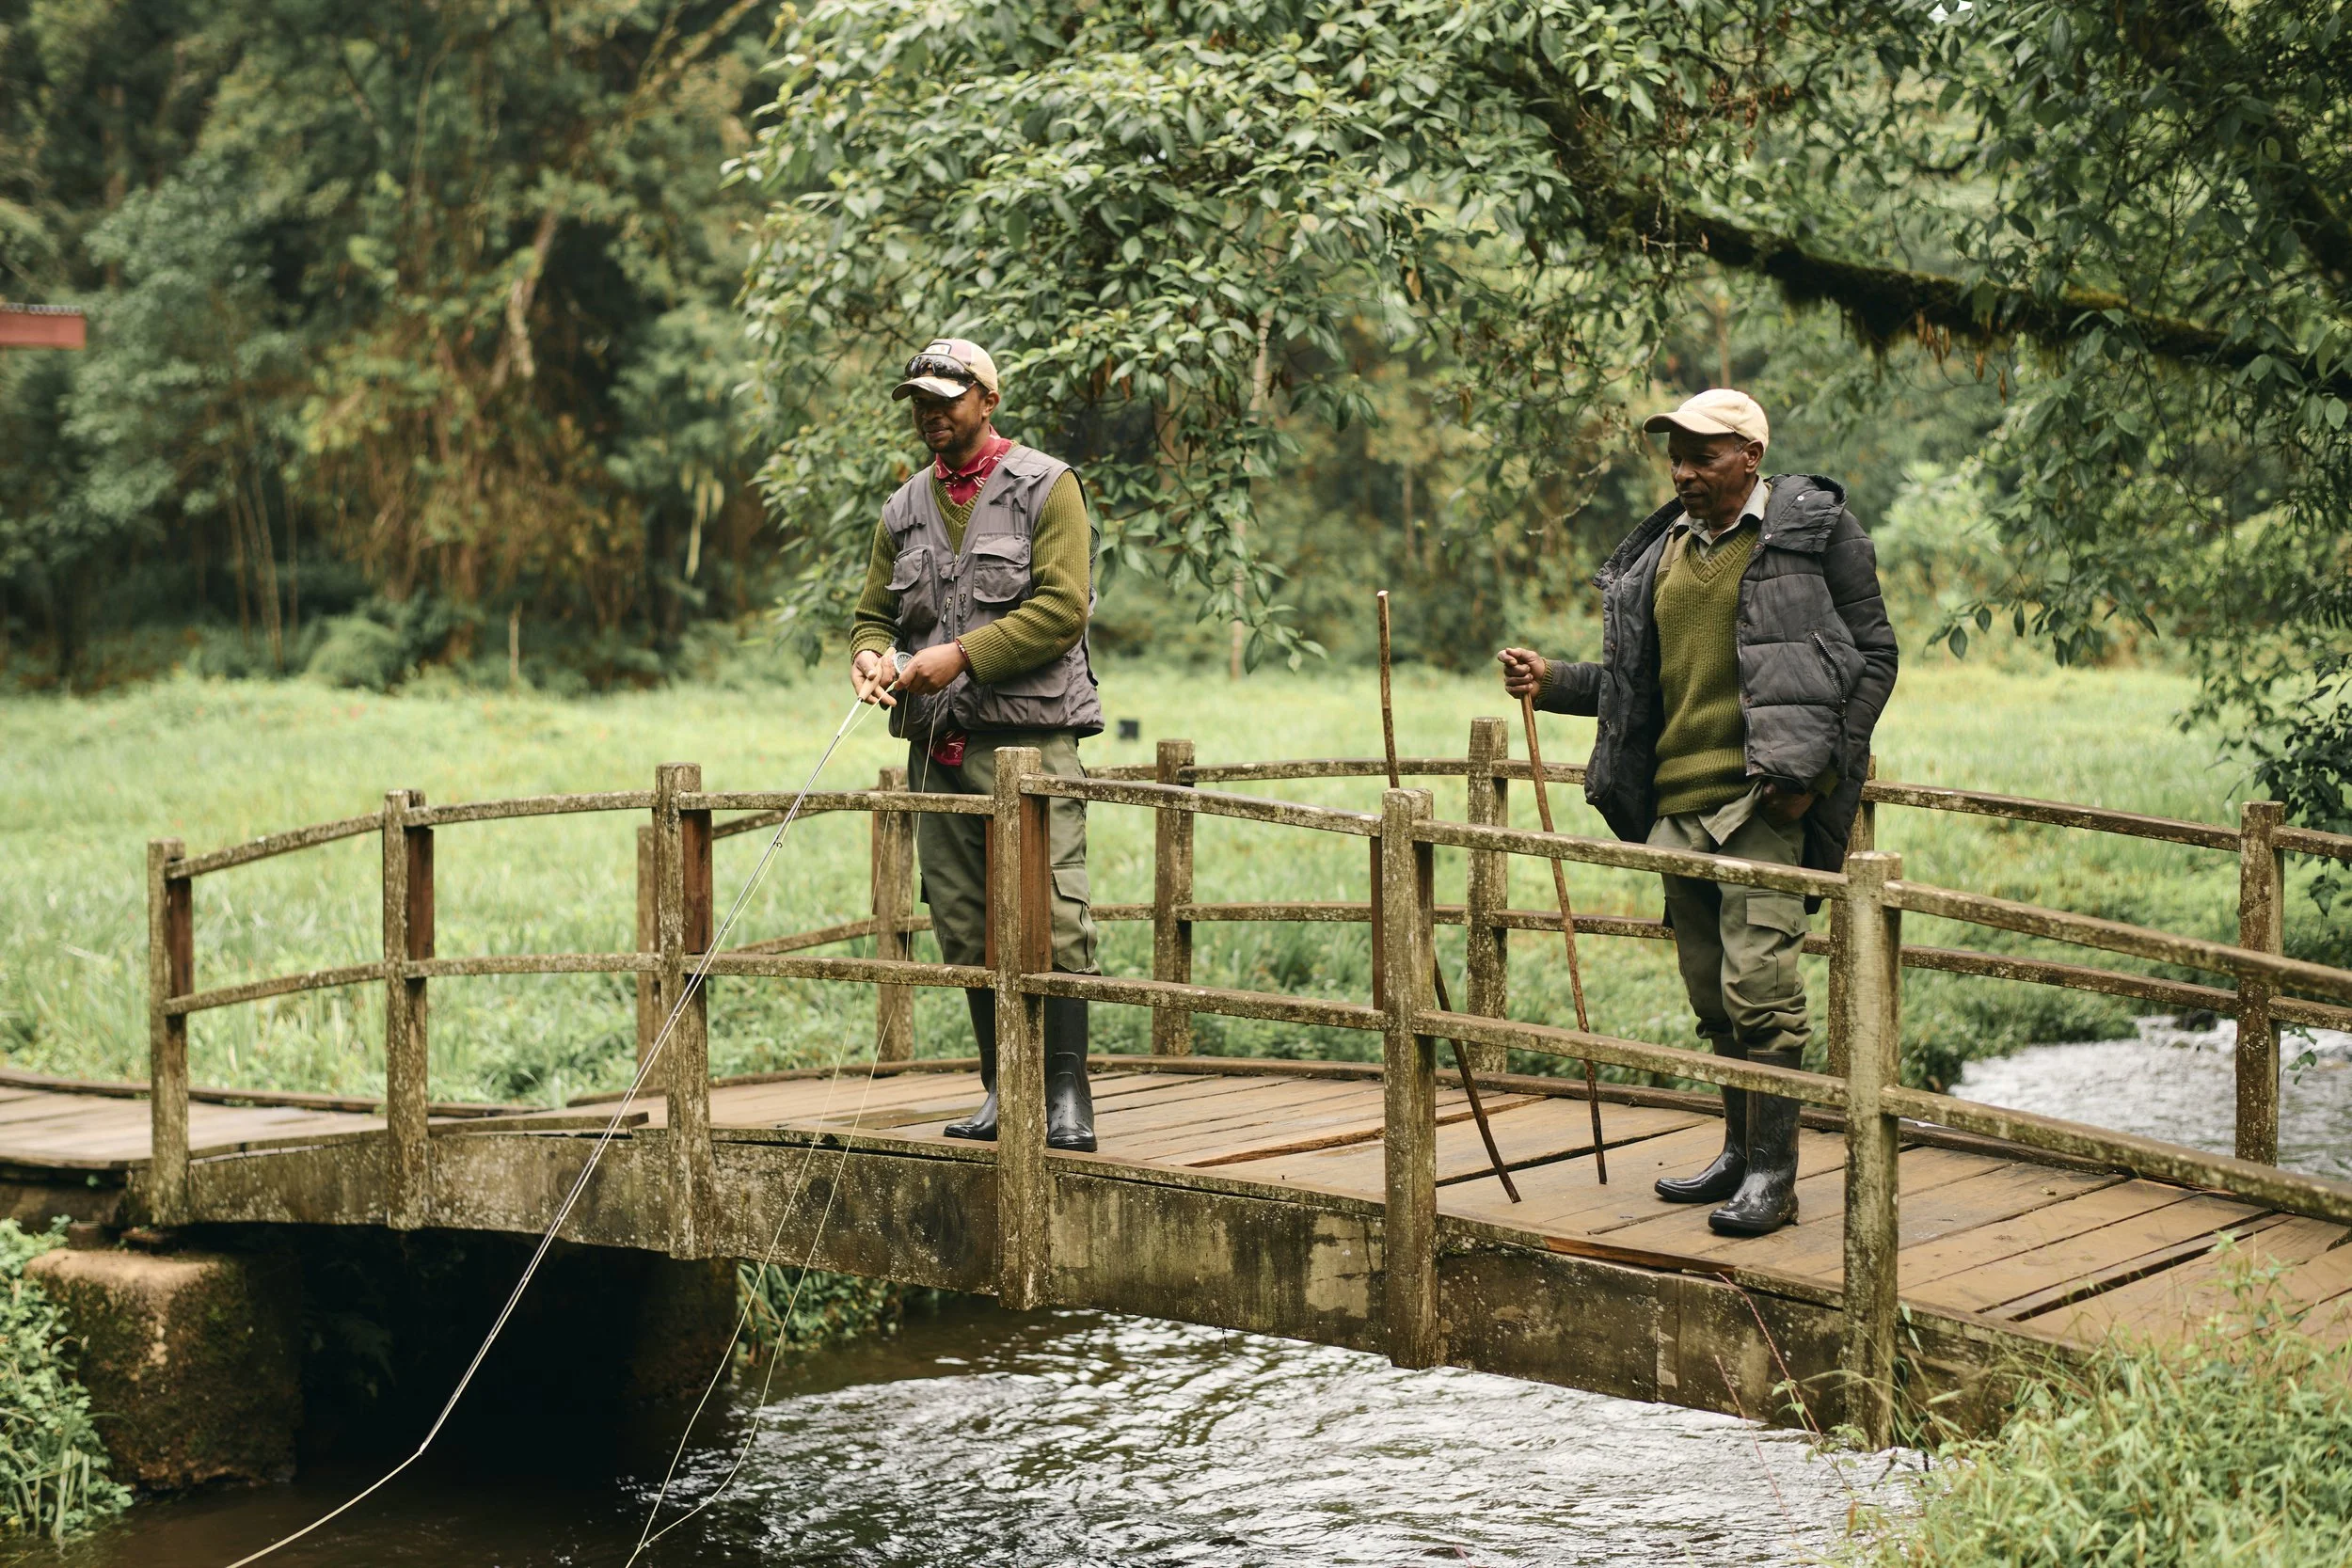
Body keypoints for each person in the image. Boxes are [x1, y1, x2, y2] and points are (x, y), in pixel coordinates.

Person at [1498, 389, 1897, 1236]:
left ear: (1750, 456)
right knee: (1714, 995)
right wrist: (1554, 679)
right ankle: (1738, 1154)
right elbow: (1636, 686)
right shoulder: (1664, 553)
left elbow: (1875, 657)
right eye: (1675, 456)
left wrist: (1820, 768)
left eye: (1703, 456)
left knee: (1761, 991)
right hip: (1676, 805)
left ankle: (1776, 1179)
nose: (1683, 472)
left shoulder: (1815, 535)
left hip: (1763, 799)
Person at [849, 339, 1103, 1151]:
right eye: (919, 400)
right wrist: (867, 657)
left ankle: (1066, 1098)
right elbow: (871, 619)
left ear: (987, 401)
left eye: (946, 398)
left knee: (1053, 919)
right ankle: (1003, 1088)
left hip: (1029, 746)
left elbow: (1063, 610)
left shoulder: (1048, 487)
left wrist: (957, 656)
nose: (930, 413)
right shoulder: (902, 509)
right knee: (965, 922)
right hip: (938, 752)